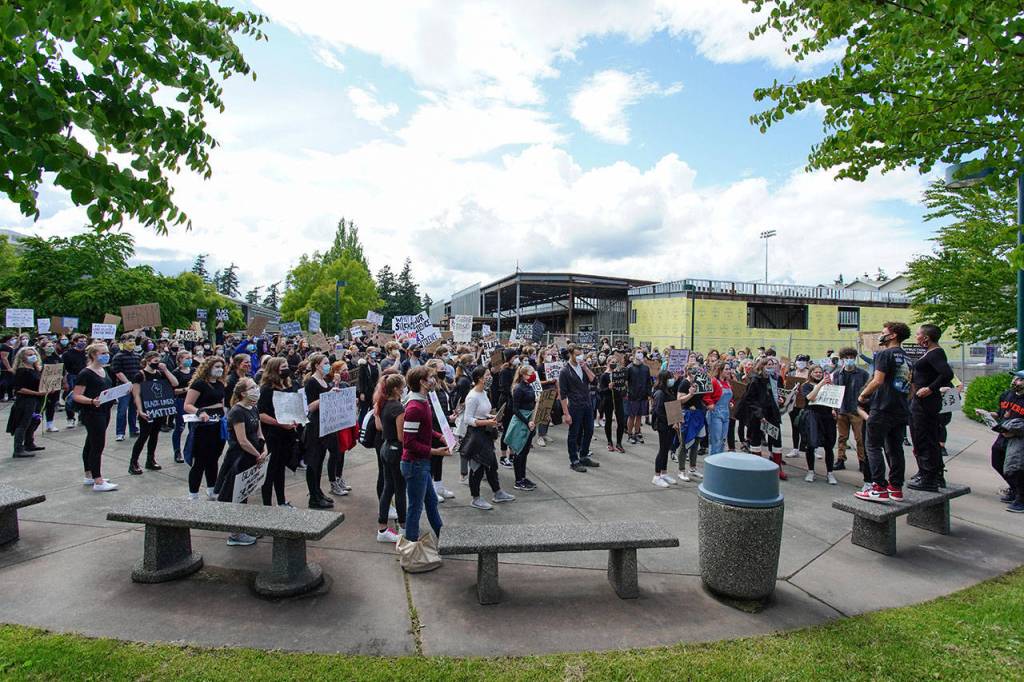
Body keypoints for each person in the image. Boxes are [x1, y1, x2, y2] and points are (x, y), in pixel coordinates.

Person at [855, 322, 913, 502]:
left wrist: (862, 395)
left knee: (872, 446)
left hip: (882, 407)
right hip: (900, 409)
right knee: (895, 449)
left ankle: (878, 486)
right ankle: (895, 487)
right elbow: (912, 387)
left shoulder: (884, 354)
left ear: (893, 335)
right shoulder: (909, 358)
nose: (881, 336)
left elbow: (878, 380)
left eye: (883, 333)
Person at [399, 367, 448, 542]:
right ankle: (411, 547)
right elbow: (409, 442)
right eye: (430, 378)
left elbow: (425, 430)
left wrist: (439, 436)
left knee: (431, 501)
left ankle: (442, 535)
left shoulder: (423, 401)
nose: (434, 380)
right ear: (422, 382)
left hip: (421, 464)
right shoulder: (414, 407)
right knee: (416, 507)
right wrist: (434, 451)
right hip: (415, 464)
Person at [219, 377, 268, 546]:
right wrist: (257, 454)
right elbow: (242, 440)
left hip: (253, 457)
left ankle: (243, 527)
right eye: (252, 387)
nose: (256, 389)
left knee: (245, 494)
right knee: (236, 496)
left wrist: (264, 449)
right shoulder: (237, 412)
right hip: (240, 458)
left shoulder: (253, 407)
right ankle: (235, 534)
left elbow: (259, 432)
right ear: (242, 393)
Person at [907, 324, 955, 492]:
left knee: (924, 437)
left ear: (926, 338)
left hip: (926, 403)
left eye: (918, 334)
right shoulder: (930, 353)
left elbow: (947, 373)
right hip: (920, 402)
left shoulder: (936, 353)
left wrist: (930, 388)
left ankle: (929, 477)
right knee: (921, 437)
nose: (916, 337)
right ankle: (927, 472)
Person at [460, 366, 514, 509]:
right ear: (479, 378)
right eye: (487, 375)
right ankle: (476, 498)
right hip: (476, 436)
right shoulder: (472, 396)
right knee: (477, 468)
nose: (490, 377)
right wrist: (487, 422)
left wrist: (491, 417)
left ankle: (498, 492)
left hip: (486, 433)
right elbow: (468, 419)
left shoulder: (484, 392)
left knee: (491, 465)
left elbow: (482, 412)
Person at [70, 343, 118, 491]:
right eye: (102, 353)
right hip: (92, 412)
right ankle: (98, 480)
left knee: (90, 443)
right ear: (93, 355)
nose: (106, 355)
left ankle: (89, 474)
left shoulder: (104, 370)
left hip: (105, 410)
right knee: (97, 445)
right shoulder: (85, 373)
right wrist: (91, 401)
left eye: (107, 352)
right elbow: (76, 395)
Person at [183, 355, 228, 501]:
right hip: (202, 427)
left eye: (221, 367)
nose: (219, 369)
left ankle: (212, 489)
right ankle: (193, 494)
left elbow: (222, 404)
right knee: (200, 461)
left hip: (217, 426)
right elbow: (187, 405)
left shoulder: (221, 384)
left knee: (213, 459)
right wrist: (199, 412)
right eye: (216, 367)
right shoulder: (199, 384)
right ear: (208, 368)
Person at [256, 357, 298, 508]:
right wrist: (279, 423)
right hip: (272, 434)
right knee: (270, 471)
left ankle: (281, 501)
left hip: (286, 435)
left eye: (287, 366)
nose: (286, 369)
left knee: (280, 470)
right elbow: (261, 414)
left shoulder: (287, 385)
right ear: (274, 369)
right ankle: (267, 505)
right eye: (283, 367)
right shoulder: (267, 389)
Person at [128, 350, 178, 475]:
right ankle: (133, 462)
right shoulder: (140, 375)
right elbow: (136, 394)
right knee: (144, 435)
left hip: (159, 408)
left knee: (154, 435)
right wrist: (139, 410)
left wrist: (165, 370)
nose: (158, 363)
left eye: (159, 361)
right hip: (147, 408)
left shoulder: (160, 374)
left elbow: (175, 383)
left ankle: (150, 459)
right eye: (155, 361)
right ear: (148, 360)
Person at [737, 357, 787, 480]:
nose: (771, 367)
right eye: (768, 365)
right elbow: (750, 399)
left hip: (772, 414)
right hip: (758, 415)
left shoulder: (775, 379)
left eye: (773, 365)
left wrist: (780, 400)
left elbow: (777, 394)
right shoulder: (755, 380)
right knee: (756, 440)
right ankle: (757, 467)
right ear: (762, 366)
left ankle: (777, 467)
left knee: (776, 439)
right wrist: (760, 415)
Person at [983, 371, 1024, 512]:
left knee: (1014, 468)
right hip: (1003, 434)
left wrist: (1015, 431)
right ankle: (1015, 489)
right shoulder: (1006, 395)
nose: (1015, 381)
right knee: (997, 461)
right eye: (1015, 378)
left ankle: (1021, 499)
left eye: (1020, 379)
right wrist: (988, 414)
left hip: (1019, 438)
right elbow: (1001, 413)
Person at [302, 353, 337, 509]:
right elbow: (310, 407)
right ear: (317, 365)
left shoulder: (324, 381)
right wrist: (327, 396)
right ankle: (313, 497)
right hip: (315, 426)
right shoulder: (311, 382)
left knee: (320, 460)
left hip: (325, 425)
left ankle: (318, 491)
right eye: (325, 363)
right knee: (313, 462)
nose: (328, 365)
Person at [376, 373, 407, 542]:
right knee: (400, 490)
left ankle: (382, 529)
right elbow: (402, 436)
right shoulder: (397, 408)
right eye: (402, 387)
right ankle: (403, 527)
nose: (404, 390)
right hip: (395, 450)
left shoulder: (384, 403)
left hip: (385, 447)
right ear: (396, 389)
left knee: (388, 488)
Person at [559, 344, 599, 472]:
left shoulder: (583, 367)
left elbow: (594, 380)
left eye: (580, 354)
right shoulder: (565, 371)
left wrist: (585, 367)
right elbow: (563, 394)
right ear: (570, 355)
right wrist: (566, 413)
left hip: (587, 403)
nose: (579, 357)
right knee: (574, 433)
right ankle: (574, 460)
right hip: (575, 406)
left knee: (589, 430)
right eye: (576, 355)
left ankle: (584, 455)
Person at [832, 347, 869, 476]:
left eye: (852, 358)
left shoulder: (863, 374)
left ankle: (862, 461)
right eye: (846, 358)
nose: (849, 360)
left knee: (860, 438)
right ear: (842, 359)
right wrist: (834, 408)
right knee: (842, 437)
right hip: (842, 410)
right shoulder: (837, 374)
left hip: (857, 410)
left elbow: (867, 391)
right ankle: (840, 459)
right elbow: (834, 392)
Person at [801, 365, 838, 484]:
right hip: (812, 416)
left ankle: (830, 473)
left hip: (827, 417)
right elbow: (810, 397)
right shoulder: (806, 386)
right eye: (815, 372)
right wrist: (821, 384)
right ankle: (811, 471)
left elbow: (833, 399)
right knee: (811, 444)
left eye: (820, 372)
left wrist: (833, 409)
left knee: (829, 445)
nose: (818, 374)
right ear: (810, 373)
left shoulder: (829, 385)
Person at [7, 346, 45, 457]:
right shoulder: (21, 370)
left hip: (36, 400)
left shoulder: (35, 369)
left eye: (33, 354)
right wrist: (37, 393)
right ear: (22, 357)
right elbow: (20, 389)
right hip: (26, 401)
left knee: (34, 421)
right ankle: (18, 449)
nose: (32, 356)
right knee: (24, 423)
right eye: (29, 355)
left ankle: (29, 443)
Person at [506, 363, 538, 491]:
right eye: (531, 373)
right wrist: (527, 422)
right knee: (520, 451)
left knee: (525, 452)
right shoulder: (519, 388)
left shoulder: (528, 386)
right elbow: (515, 409)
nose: (533, 375)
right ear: (524, 375)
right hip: (522, 422)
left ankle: (523, 477)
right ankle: (518, 480)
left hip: (529, 420)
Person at [650, 371, 679, 488]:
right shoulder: (660, 393)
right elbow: (658, 411)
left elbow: (674, 404)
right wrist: (671, 422)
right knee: (662, 449)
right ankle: (656, 476)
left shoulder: (669, 390)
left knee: (666, 449)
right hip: (664, 425)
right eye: (670, 378)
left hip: (671, 424)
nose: (672, 380)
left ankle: (664, 472)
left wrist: (676, 420)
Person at [110, 336, 141, 441]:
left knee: (134, 409)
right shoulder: (118, 356)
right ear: (123, 342)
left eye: (133, 341)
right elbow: (117, 372)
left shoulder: (137, 356)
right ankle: (120, 432)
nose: (132, 342)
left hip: (136, 386)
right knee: (122, 410)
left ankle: (133, 429)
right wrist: (127, 383)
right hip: (124, 387)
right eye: (129, 341)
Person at [170, 349, 194, 463]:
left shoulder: (194, 371)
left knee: (193, 427)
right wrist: (186, 389)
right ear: (180, 359)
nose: (189, 360)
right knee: (179, 427)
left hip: (193, 401)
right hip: (181, 401)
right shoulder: (176, 373)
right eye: (187, 358)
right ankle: (177, 451)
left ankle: (190, 450)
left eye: (190, 358)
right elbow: (173, 390)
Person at [706, 361, 733, 455]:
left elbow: (729, 397)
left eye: (729, 369)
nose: (729, 371)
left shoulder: (727, 382)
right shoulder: (713, 381)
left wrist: (730, 402)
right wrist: (710, 404)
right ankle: (713, 461)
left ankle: (720, 461)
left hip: (726, 412)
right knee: (716, 439)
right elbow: (706, 396)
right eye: (726, 369)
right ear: (720, 370)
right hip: (715, 413)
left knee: (723, 439)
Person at [61, 335, 88, 429]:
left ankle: (82, 417)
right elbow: (63, 369)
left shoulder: (87, 353)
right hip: (72, 377)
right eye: (81, 341)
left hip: (85, 377)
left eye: (85, 341)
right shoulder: (67, 354)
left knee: (84, 397)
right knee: (70, 399)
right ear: (75, 342)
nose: (83, 343)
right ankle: (70, 418)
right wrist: (65, 381)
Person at [600, 357, 626, 452]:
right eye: (612, 362)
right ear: (608, 363)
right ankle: (609, 441)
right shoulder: (604, 376)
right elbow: (601, 391)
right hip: (608, 400)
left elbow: (622, 386)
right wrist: (608, 388)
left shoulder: (618, 375)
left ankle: (619, 443)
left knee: (621, 421)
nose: (614, 364)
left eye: (615, 362)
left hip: (618, 400)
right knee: (608, 421)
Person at [625, 350, 651, 444]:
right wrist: (628, 392)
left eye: (641, 352)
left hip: (643, 396)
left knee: (639, 416)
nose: (639, 354)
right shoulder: (629, 368)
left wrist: (649, 394)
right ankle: (629, 434)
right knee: (631, 416)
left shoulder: (646, 368)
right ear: (634, 354)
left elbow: (648, 382)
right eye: (638, 352)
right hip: (633, 396)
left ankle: (637, 433)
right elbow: (625, 381)